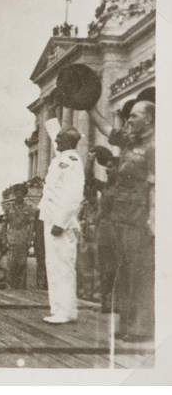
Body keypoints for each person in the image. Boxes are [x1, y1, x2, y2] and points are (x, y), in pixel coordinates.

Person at [89, 100, 155, 342]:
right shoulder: (130, 141)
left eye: (135, 116)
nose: (129, 120)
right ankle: (126, 324)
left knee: (140, 272)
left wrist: (153, 219)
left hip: (139, 217)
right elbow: (108, 130)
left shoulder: (154, 147)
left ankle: (141, 327)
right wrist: (88, 106)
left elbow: (154, 187)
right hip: (120, 216)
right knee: (123, 272)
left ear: (149, 119)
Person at [38, 105, 85, 324]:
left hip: (60, 223)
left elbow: (72, 196)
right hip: (51, 219)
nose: (55, 141)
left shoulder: (72, 162)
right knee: (54, 265)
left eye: (59, 139)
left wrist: (61, 221)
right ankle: (60, 309)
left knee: (63, 266)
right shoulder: (61, 159)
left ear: (68, 141)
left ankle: (64, 311)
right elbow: (51, 127)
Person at [86, 146, 119, 313]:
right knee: (104, 266)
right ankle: (106, 302)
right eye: (106, 167)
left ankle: (116, 302)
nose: (107, 170)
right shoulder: (106, 186)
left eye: (111, 167)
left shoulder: (121, 187)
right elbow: (89, 180)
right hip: (105, 230)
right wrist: (90, 161)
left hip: (117, 230)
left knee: (117, 267)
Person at [4, 184, 35, 289]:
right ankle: (9, 287)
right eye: (17, 193)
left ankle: (21, 288)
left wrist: (30, 239)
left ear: (24, 195)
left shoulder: (29, 208)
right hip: (11, 237)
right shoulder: (9, 208)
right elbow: (4, 224)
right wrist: (3, 238)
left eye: (21, 194)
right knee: (11, 264)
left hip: (23, 238)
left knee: (22, 264)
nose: (18, 196)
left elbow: (31, 225)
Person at [77, 183, 100, 301]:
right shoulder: (84, 206)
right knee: (86, 268)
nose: (89, 198)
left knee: (98, 268)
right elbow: (79, 219)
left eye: (91, 195)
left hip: (96, 240)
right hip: (85, 240)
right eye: (87, 195)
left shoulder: (100, 206)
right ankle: (86, 292)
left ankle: (97, 293)